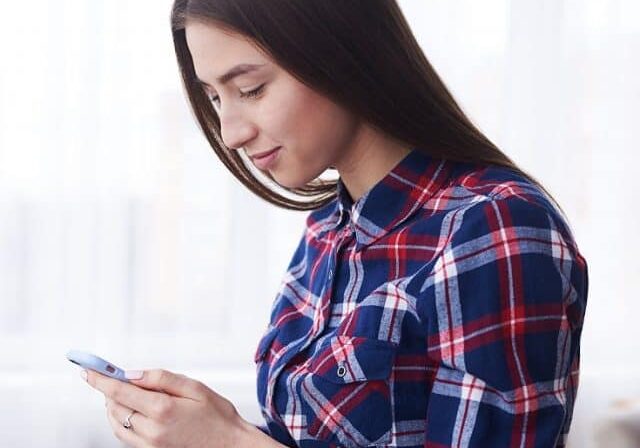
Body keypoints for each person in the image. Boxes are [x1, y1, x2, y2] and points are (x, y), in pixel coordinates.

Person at [82, 1, 589, 447]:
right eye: (216, 98)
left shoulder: (491, 227)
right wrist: (200, 426)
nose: (231, 132)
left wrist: (229, 442)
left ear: (340, 53)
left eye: (251, 89)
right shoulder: (328, 229)